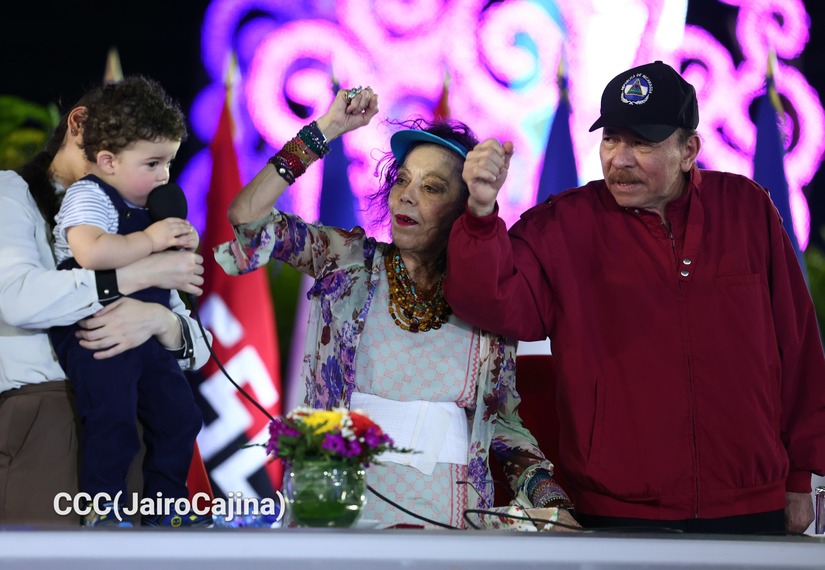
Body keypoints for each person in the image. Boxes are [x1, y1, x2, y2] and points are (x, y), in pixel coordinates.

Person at [443, 60, 825, 534]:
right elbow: (487, 301)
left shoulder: (747, 209)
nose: (619, 159)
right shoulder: (562, 225)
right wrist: (481, 214)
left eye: (642, 143)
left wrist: (801, 477)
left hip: (752, 504)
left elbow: (799, 348)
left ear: (688, 150)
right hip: (617, 510)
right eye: (611, 139)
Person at [214, 86, 577, 529]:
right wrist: (324, 130)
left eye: (431, 188)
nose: (406, 195)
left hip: (449, 525)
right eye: (402, 180)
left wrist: (552, 501)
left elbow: (504, 428)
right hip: (339, 517)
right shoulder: (347, 262)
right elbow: (248, 217)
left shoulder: (486, 303)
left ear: (463, 209)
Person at [0, 82, 210, 527]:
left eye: (164, 163)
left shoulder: (140, 217)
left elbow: (199, 347)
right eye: (149, 161)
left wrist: (158, 320)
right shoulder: (10, 194)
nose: (160, 176)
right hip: (42, 426)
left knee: (177, 415)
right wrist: (136, 276)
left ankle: (162, 506)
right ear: (79, 125)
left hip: (134, 434)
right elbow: (17, 298)